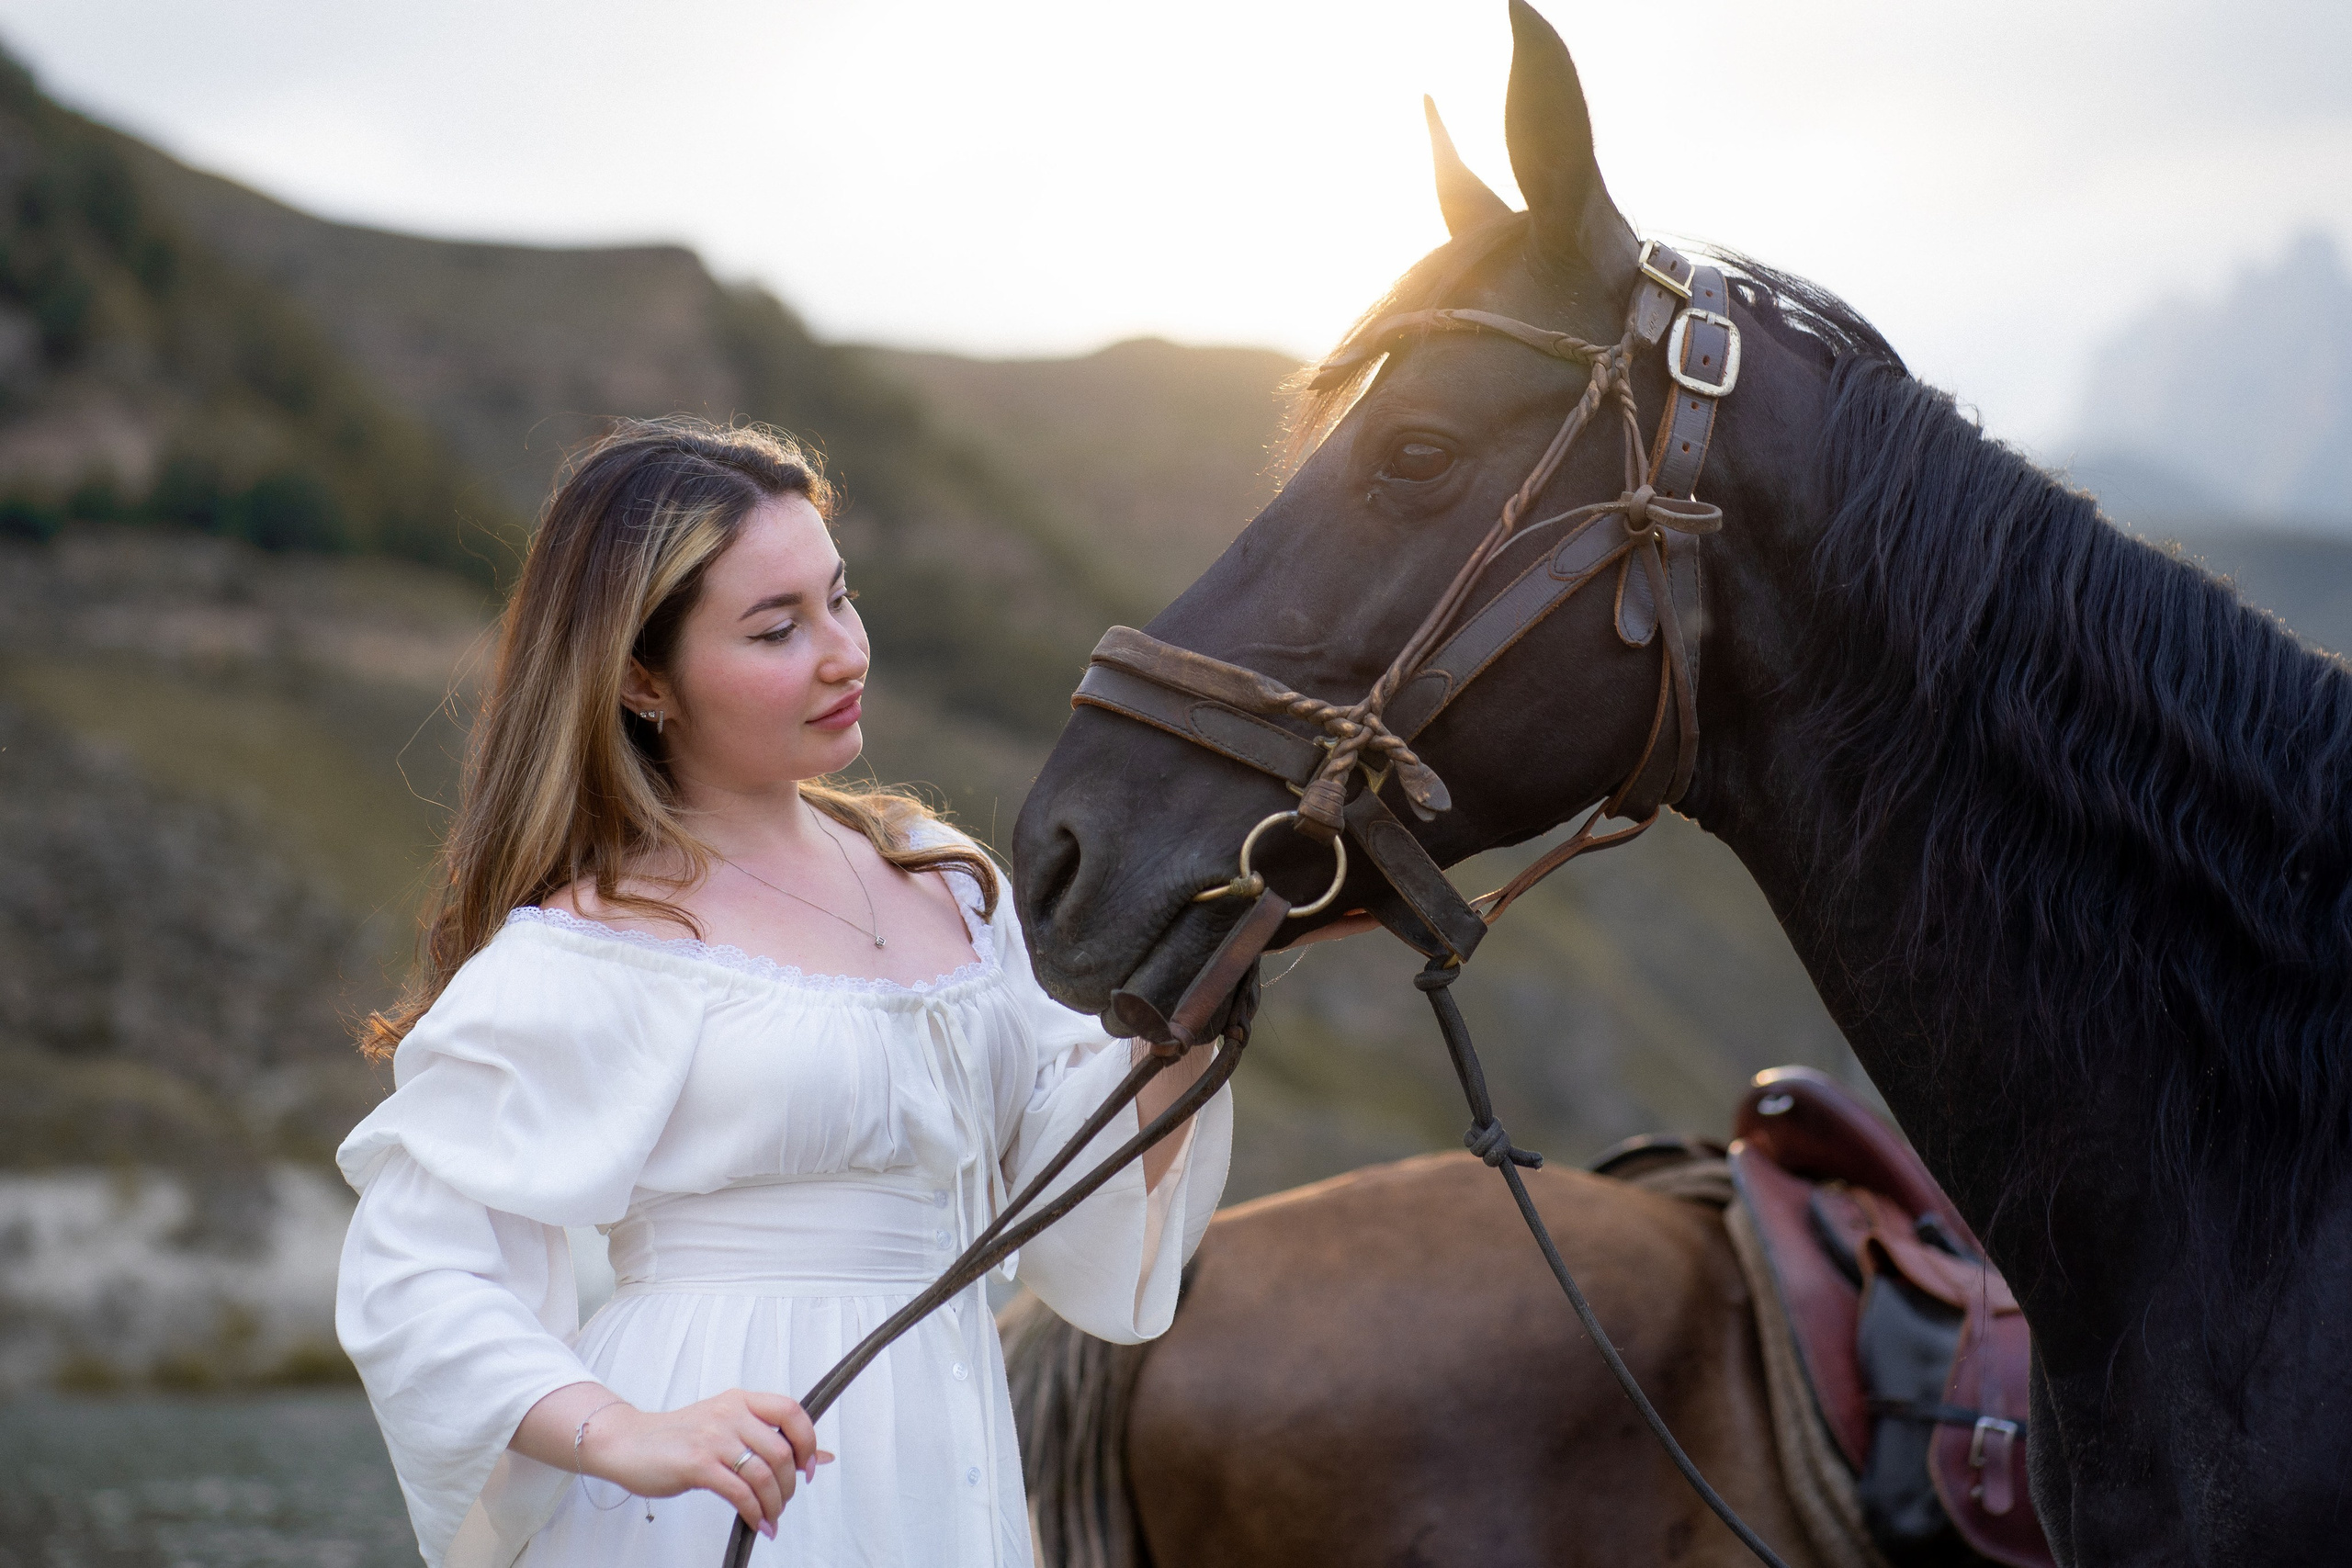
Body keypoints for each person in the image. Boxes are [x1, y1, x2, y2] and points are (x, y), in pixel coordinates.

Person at [334, 418, 1230, 1568]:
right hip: (705, 1478)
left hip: (946, 1445)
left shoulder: (947, 879)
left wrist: (1209, 983)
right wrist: (623, 1433)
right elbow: (416, 1269)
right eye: (777, 628)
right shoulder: (593, 946)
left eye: (840, 599)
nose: (843, 652)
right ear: (642, 680)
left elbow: (1062, 1184)